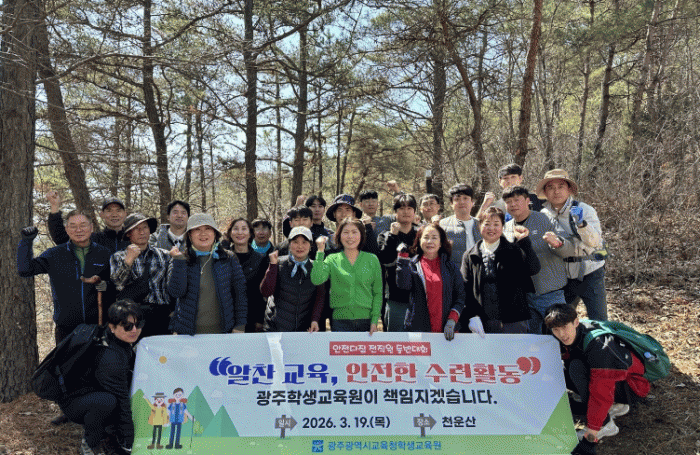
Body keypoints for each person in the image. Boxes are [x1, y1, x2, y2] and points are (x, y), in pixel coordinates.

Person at [544, 304, 650, 448]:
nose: (561, 334)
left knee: (576, 369)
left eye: (564, 327)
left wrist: (593, 429)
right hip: (617, 383)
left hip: (632, 387)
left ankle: (606, 425)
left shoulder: (599, 345)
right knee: (565, 368)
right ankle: (615, 406)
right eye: (556, 329)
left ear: (576, 322)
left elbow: (601, 391)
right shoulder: (574, 334)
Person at [58, 300, 143, 455]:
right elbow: (122, 401)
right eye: (127, 326)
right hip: (73, 401)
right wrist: (129, 443)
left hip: (89, 392)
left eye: (138, 324)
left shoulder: (117, 341)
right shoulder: (111, 358)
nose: (134, 330)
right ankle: (90, 444)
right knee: (108, 402)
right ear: (112, 327)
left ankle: (107, 432)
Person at [17, 210, 111, 344]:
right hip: (66, 331)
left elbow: (116, 285)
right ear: (66, 229)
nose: (78, 230)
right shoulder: (55, 254)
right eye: (73, 226)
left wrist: (107, 285)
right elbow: (25, 270)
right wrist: (26, 242)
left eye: (83, 225)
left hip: (99, 328)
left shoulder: (104, 253)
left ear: (91, 227)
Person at [536, 169, 607, 321]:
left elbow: (595, 242)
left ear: (569, 189)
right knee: (562, 321)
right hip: (563, 276)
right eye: (551, 187)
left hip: (590, 272)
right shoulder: (543, 214)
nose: (556, 191)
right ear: (545, 192)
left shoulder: (585, 209)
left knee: (600, 320)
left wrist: (582, 224)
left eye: (561, 186)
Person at [503, 185, 572, 334]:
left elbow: (568, 248)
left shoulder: (545, 219)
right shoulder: (506, 228)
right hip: (524, 297)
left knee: (561, 334)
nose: (513, 204)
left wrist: (557, 243)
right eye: (508, 202)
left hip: (550, 293)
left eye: (517, 200)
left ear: (527, 200)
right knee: (534, 340)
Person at [460, 207, 540, 334]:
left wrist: (524, 241)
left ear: (502, 227)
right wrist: (472, 316)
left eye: (496, 224)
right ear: (479, 226)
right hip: (482, 322)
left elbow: (534, 269)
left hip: (514, 320)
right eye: (487, 224)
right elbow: (465, 289)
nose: (491, 228)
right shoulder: (470, 255)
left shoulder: (514, 250)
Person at [397, 222, 484, 339]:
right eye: (426, 237)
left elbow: (460, 296)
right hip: (418, 331)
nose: (430, 241)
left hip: (447, 331)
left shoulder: (450, 267)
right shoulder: (412, 264)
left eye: (434, 238)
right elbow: (403, 285)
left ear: (441, 243)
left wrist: (452, 319)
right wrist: (402, 260)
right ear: (419, 240)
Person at [168, 214, 248, 335]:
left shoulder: (228, 258)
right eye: (197, 229)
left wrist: (240, 325)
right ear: (189, 235)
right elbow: (176, 292)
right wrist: (179, 262)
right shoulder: (180, 259)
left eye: (208, 229)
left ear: (215, 233)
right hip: (187, 333)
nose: (203, 233)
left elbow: (240, 294)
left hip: (223, 332)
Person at [311, 218, 382, 333]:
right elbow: (317, 279)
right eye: (346, 232)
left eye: (354, 232)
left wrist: (374, 320)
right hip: (340, 322)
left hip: (367, 321)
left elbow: (377, 292)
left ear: (361, 235)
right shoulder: (332, 259)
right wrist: (320, 251)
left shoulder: (372, 259)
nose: (350, 236)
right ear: (339, 235)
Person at [110, 213, 172, 337]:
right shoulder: (119, 256)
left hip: (162, 315)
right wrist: (129, 260)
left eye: (145, 227)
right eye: (136, 229)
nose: (142, 232)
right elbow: (117, 284)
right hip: (133, 318)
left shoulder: (165, 255)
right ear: (129, 233)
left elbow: (172, 286)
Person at [261, 226, 326, 332]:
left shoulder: (316, 267)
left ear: (310, 245)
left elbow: (320, 297)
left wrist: (315, 320)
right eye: (295, 242)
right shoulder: (278, 263)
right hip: (275, 328)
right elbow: (266, 292)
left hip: (303, 330)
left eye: (304, 242)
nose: (300, 246)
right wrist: (272, 266)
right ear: (289, 244)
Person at [377, 193, 419, 331]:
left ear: (415, 212)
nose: (406, 212)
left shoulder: (421, 235)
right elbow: (385, 260)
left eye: (409, 208)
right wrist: (393, 236)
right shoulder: (385, 235)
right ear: (395, 212)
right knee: (395, 338)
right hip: (395, 297)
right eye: (401, 208)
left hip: (419, 296)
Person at [47, 191, 129, 253]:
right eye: (109, 211)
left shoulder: (133, 239)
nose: (114, 215)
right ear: (101, 214)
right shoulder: (92, 240)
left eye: (118, 210)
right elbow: (61, 239)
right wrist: (54, 206)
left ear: (125, 214)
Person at [222, 217, 266, 332]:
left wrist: (259, 319)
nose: (240, 232)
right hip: (224, 316)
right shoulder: (222, 258)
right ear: (230, 233)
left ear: (250, 233)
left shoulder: (259, 259)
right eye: (236, 229)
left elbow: (260, 293)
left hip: (251, 318)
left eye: (244, 229)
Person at [439, 184, 482, 270]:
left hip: (479, 273)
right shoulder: (443, 225)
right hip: (454, 273)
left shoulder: (481, 224)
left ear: (472, 202)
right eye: (457, 199)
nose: (462, 202)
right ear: (451, 203)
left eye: (465, 198)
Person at [477, 163, 544, 218]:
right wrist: (484, 206)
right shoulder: (496, 207)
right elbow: (477, 227)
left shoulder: (537, 200)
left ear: (520, 178)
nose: (509, 181)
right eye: (505, 178)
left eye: (513, 177)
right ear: (500, 181)